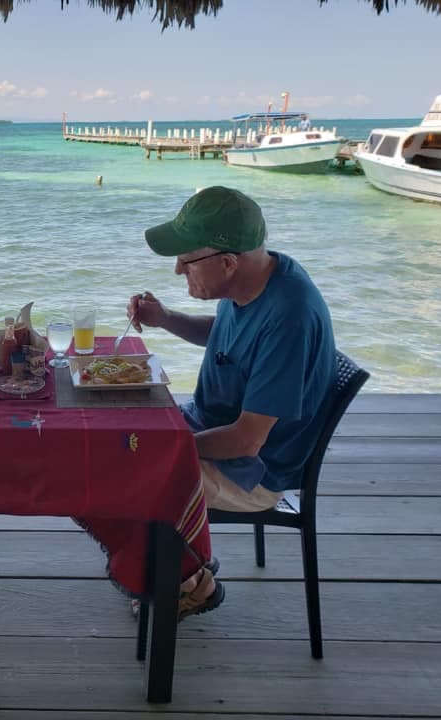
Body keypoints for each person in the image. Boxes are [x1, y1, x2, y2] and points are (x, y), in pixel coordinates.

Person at [129, 185, 336, 617]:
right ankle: (175, 558)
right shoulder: (253, 280)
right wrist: (166, 318)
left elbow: (246, 441)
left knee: (126, 469)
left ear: (226, 262)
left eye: (186, 260)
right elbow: (225, 337)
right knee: (116, 432)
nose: (176, 270)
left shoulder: (289, 315)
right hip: (208, 425)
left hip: (254, 473)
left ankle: (190, 582)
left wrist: (164, 444)